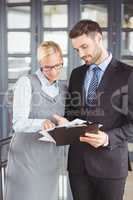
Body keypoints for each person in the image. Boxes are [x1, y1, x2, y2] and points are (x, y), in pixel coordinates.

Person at [54, 20, 133, 200]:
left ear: (98, 38)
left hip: (110, 166)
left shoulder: (128, 74)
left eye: (84, 46)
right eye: (76, 50)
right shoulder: (76, 74)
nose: (81, 54)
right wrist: (63, 122)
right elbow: (71, 114)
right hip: (77, 165)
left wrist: (108, 138)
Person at [4, 41, 67, 200]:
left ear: (62, 60)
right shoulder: (27, 83)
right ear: (40, 64)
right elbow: (18, 123)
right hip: (26, 157)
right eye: (48, 67)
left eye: (58, 66)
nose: (53, 71)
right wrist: (41, 123)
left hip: (50, 157)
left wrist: (65, 123)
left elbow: (62, 120)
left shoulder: (64, 88)